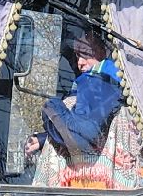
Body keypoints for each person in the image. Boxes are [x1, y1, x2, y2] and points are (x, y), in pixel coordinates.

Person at [27, 31, 123, 166]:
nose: (80, 63)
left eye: (86, 54)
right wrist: (45, 139)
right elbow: (86, 123)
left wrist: (50, 109)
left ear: (102, 52)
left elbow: (80, 137)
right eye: (77, 56)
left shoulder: (101, 82)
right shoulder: (99, 84)